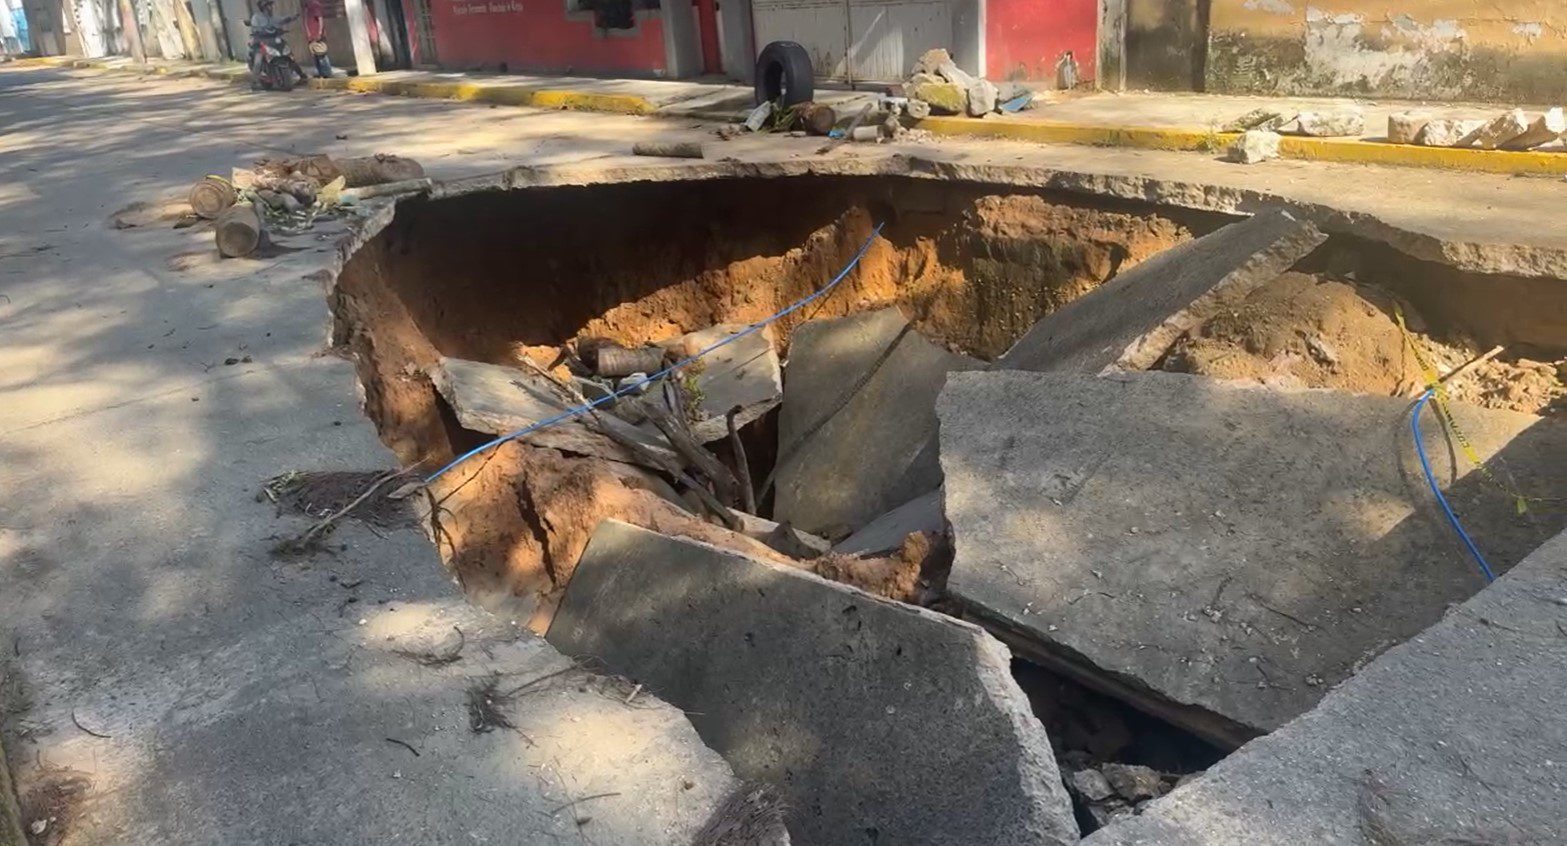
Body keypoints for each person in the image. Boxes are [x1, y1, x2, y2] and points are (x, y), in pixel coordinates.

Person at [248, 0, 295, 76]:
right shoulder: (256, 17)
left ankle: (300, 73)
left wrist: (291, 18)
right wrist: (257, 30)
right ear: (263, 7)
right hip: (260, 40)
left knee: (288, 53)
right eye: (268, 6)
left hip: (272, 40)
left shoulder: (274, 17)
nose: (271, 7)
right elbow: (254, 27)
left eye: (271, 5)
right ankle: (255, 78)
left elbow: (282, 20)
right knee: (258, 59)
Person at [302, 0, 332, 78]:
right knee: (315, 56)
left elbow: (320, 20)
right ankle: (321, 73)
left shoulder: (314, 5)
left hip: (316, 35)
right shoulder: (307, 6)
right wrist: (308, 34)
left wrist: (319, 33)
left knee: (321, 55)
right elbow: (306, 21)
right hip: (311, 36)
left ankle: (327, 74)